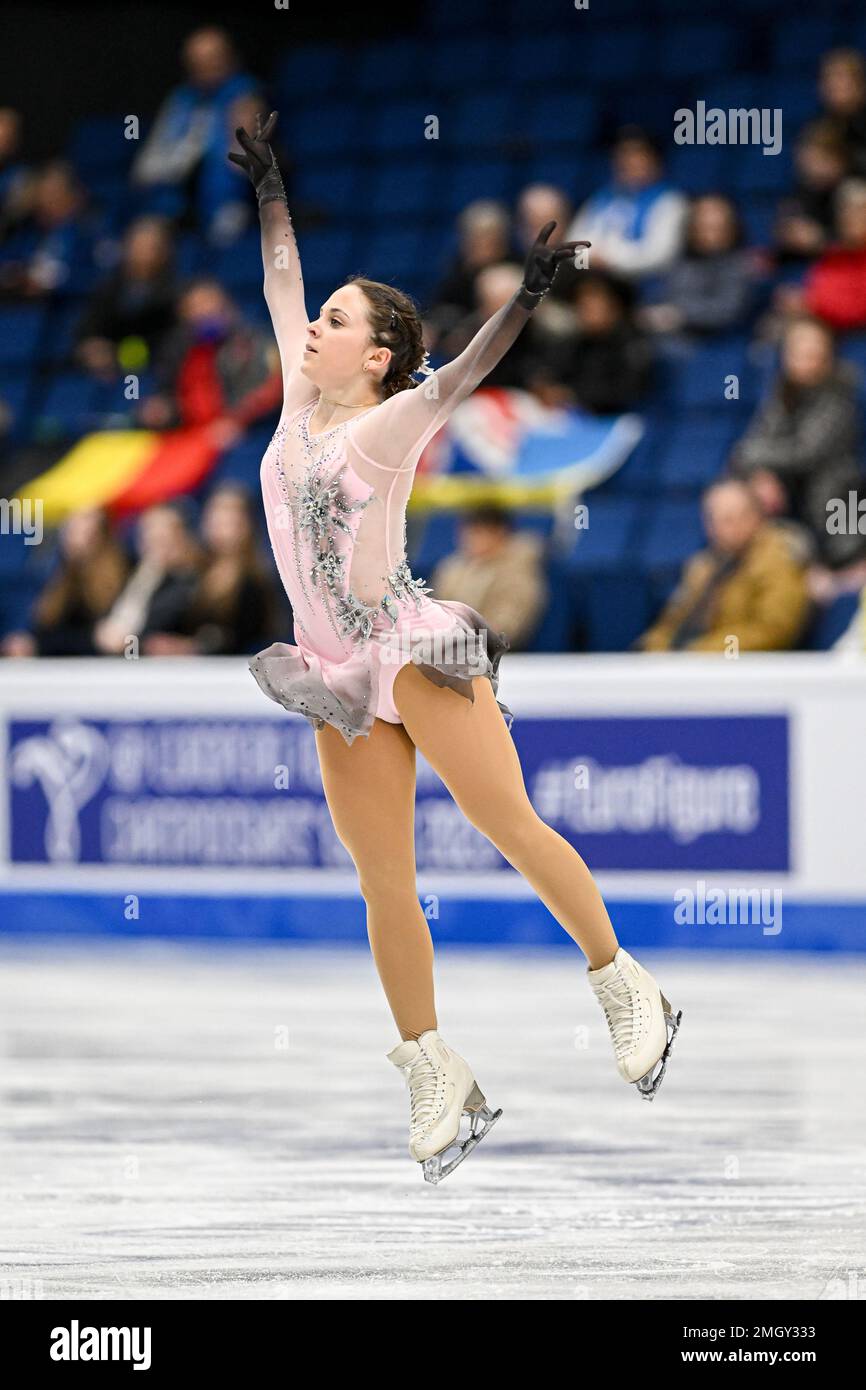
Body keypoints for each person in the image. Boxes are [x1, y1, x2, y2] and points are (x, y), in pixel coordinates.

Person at [228, 111, 684, 1183]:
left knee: (504, 821)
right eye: (319, 315)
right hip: (335, 669)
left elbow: (465, 374)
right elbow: (276, 280)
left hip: (406, 648)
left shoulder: (383, 429)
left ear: (373, 354)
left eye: (335, 320)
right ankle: (435, 1067)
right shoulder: (298, 396)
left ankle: (625, 983)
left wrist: (524, 298)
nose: (311, 325)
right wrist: (270, 193)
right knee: (382, 878)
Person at [729, 316, 865, 569]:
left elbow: (804, 451)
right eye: (799, 348)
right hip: (793, 504)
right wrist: (760, 473)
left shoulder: (840, 395)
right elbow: (759, 438)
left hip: (838, 514)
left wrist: (751, 455)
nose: (808, 356)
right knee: (741, 489)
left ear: (829, 353)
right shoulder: (780, 393)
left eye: (815, 348)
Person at [636, 480, 811, 652]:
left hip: (736, 670)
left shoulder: (778, 559)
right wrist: (654, 649)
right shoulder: (704, 566)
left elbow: (773, 631)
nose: (715, 529)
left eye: (727, 519)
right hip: (688, 664)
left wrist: (704, 651)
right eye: (711, 520)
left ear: (753, 517)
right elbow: (671, 623)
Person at [0, 508, 130, 658]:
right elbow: (46, 628)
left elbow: (104, 637)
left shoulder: (117, 574)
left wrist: (38, 644)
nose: (81, 538)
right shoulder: (54, 571)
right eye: (75, 530)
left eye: (89, 532)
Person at [566, 126, 688, 280]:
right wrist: (588, 261)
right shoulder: (602, 197)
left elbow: (660, 257)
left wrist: (610, 261)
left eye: (636, 156)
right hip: (592, 279)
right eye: (622, 156)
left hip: (641, 288)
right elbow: (572, 244)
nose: (628, 162)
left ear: (655, 162)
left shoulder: (670, 201)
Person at [431, 506, 548, 650]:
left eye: (478, 532)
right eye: (466, 532)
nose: (469, 539)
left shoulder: (518, 569)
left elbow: (508, 626)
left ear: (499, 533)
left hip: (498, 656)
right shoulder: (453, 567)